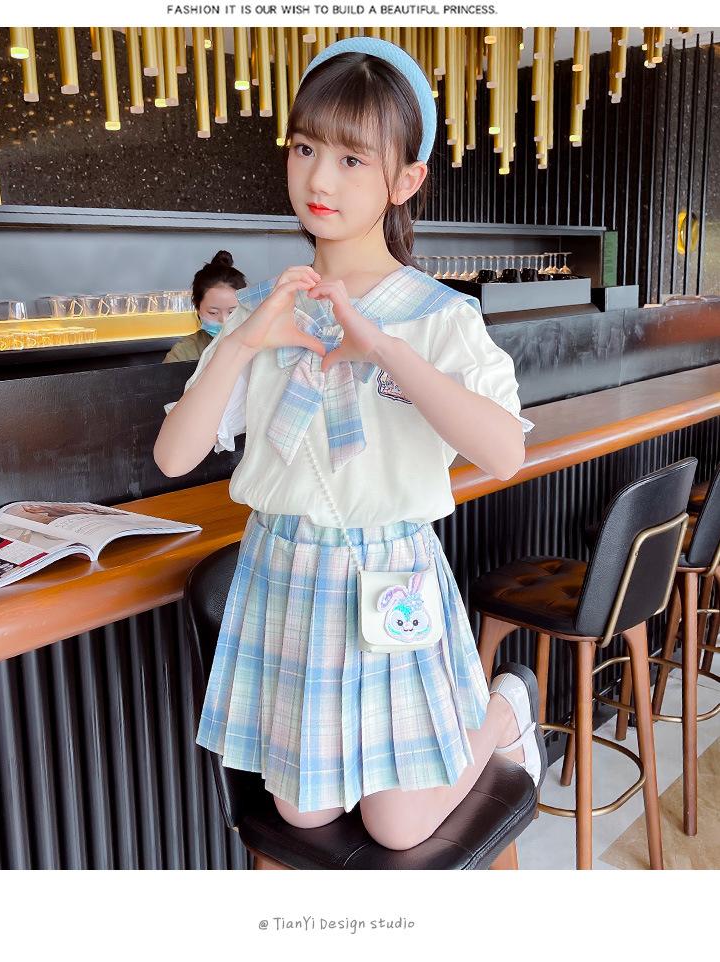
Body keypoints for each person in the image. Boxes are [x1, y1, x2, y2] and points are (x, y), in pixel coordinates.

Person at [155, 38, 542, 852]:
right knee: (305, 813)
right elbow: (174, 457)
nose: (319, 180)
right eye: (305, 149)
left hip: (387, 576)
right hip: (284, 579)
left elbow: (505, 453)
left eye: (352, 159)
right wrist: (240, 342)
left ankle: (505, 709)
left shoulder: (438, 316)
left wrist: (387, 352)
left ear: (406, 180)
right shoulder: (262, 311)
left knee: (396, 824)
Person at [162, 250, 247, 363]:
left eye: (232, 312)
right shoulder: (183, 353)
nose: (224, 320)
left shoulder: (262, 344)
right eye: (213, 312)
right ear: (198, 308)